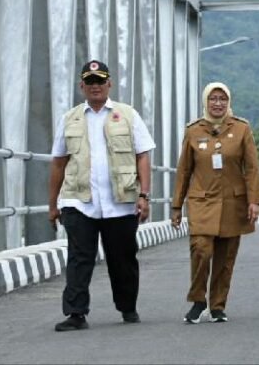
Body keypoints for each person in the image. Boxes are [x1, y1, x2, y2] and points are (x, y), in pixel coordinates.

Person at [48, 60, 155, 332]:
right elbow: (58, 162)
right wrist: (53, 205)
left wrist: (144, 195)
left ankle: (127, 307)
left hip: (120, 202)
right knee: (79, 258)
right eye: (90, 81)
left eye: (100, 81)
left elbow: (143, 155)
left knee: (123, 260)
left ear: (109, 84)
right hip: (78, 201)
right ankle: (75, 313)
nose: (95, 86)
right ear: (82, 86)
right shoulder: (69, 118)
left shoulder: (128, 115)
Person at [171, 82, 259, 324]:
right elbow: (184, 171)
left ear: (228, 101)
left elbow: (252, 168)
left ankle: (218, 306)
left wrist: (255, 201)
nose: (218, 103)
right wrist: (176, 206)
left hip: (234, 203)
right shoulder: (193, 131)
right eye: (213, 98)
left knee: (225, 258)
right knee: (201, 250)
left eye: (222, 98)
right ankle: (198, 299)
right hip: (202, 202)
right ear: (205, 101)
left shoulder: (242, 129)